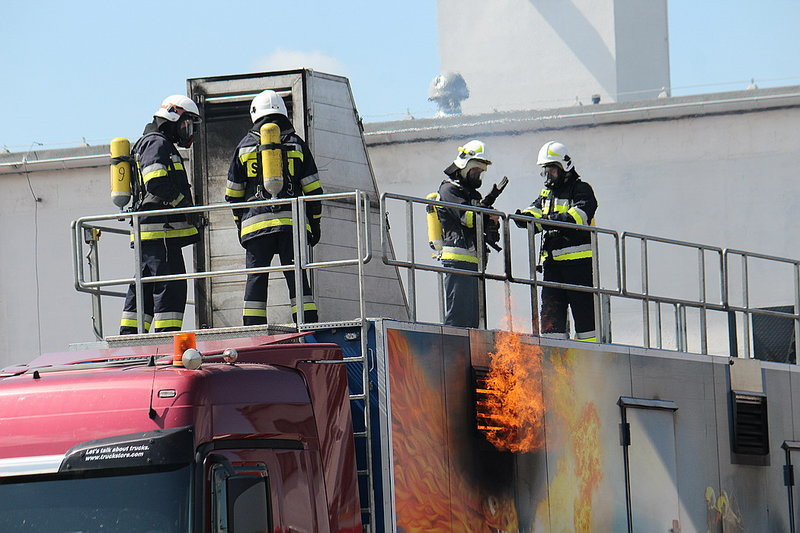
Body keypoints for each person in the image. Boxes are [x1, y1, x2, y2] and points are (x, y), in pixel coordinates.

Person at [225, 89, 322, 325]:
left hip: (255, 227)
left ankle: (253, 331)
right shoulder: (296, 144)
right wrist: (315, 223)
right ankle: (307, 327)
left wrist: (241, 225)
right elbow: (313, 189)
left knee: (256, 279)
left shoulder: (244, 147)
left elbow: (233, 193)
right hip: (292, 225)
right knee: (297, 278)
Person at [119, 95, 202, 334]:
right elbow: (156, 182)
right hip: (160, 231)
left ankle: (129, 337)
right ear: (174, 116)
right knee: (171, 287)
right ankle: (167, 339)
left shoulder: (154, 142)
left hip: (153, 233)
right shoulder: (157, 143)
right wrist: (182, 205)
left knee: (143, 287)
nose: (188, 131)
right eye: (188, 124)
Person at [516, 141, 598, 342]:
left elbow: (579, 216)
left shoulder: (581, 190)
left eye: (551, 171)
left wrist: (548, 221)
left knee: (586, 320)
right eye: (544, 171)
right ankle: (555, 363)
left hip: (578, 268)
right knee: (551, 322)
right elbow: (534, 215)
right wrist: (522, 218)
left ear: (565, 167)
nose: (547, 176)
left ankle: (589, 360)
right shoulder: (546, 195)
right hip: (552, 268)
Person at [436, 140, 493, 328]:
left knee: (473, 321)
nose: (478, 176)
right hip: (457, 261)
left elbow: (479, 221)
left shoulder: (472, 195)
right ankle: (453, 355)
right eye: (475, 171)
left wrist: (492, 224)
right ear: (463, 166)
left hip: (474, 263)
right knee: (457, 318)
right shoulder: (449, 189)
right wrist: (487, 215)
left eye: (480, 172)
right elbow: (468, 218)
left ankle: (469, 356)